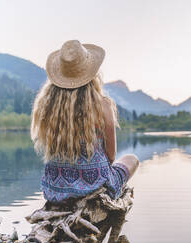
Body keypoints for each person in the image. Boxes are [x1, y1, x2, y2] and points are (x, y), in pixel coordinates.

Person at [30, 40, 139, 202]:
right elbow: (111, 156)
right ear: (91, 74)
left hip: (55, 189)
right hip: (96, 188)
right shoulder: (103, 105)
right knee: (132, 159)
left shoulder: (47, 107)